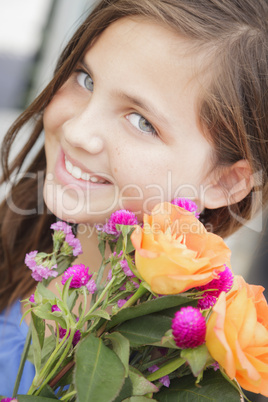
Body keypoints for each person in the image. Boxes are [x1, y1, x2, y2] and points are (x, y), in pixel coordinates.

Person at [0, 0, 267, 397]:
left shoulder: (179, 376)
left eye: (142, 122)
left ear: (226, 181)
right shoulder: (14, 243)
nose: (77, 131)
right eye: (86, 78)